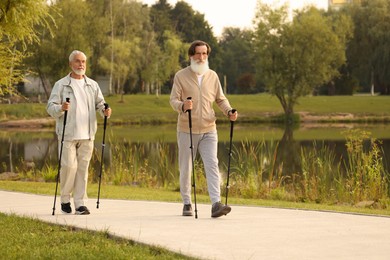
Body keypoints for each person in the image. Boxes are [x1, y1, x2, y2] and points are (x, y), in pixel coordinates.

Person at [169, 40, 238, 218]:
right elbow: (173, 101)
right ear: (191, 55)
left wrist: (229, 111)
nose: (201, 57)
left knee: (212, 164)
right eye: (198, 53)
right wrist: (183, 105)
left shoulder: (212, 76)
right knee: (186, 167)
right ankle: (186, 202)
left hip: (209, 128)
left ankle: (216, 204)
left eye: (205, 53)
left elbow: (220, 99)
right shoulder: (181, 76)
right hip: (187, 129)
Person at [47, 50, 112, 215]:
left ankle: (80, 203)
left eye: (83, 61)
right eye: (77, 61)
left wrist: (105, 110)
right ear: (71, 64)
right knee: (69, 167)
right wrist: (61, 108)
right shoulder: (61, 84)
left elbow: (100, 103)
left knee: (83, 169)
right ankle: (64, 199)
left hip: (87, 134)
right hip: (67, 135)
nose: (81, 64)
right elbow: (50, 107)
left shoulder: (92, 85)